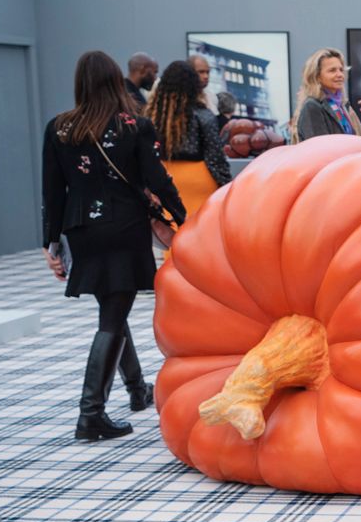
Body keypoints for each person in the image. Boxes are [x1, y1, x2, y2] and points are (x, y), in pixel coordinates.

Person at [41, 51, 186, 441]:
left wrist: (51, 244)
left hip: (82, 229)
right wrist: (183, 218)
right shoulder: (134, 126)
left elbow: (53, 191)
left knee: (112, 307)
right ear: (114, 81)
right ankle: (91, 414)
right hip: (124, 226)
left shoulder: (59, 128)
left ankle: (137, 390)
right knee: (113, 314)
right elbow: (156, 178)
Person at [145, 60, 231, 218]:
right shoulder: (203, 115)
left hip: (163, 180)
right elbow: (215, 158)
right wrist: (227, 185)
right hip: (199, 182)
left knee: (168, 236)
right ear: (194, 86)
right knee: (198, 236)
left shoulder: (153, 117)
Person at [293, 48, 361, 140]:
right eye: (332, 70)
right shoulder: (312, 106)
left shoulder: (343, 106)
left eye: (341, 70)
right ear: (317, 76)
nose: (340, 74)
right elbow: (319, 149)